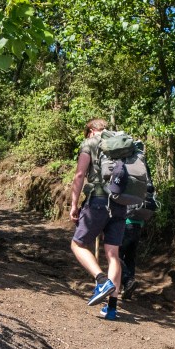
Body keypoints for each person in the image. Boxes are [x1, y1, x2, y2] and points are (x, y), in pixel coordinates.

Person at [70, 118, 125, 318]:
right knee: (113, 254)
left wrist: (74, 204)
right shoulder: (121, 144)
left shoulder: (90, 143)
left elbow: (79, 175)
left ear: (91, 130)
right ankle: (111, 308)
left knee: (77, 244)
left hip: (99, 200)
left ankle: (101, 281)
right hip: (121, 203)